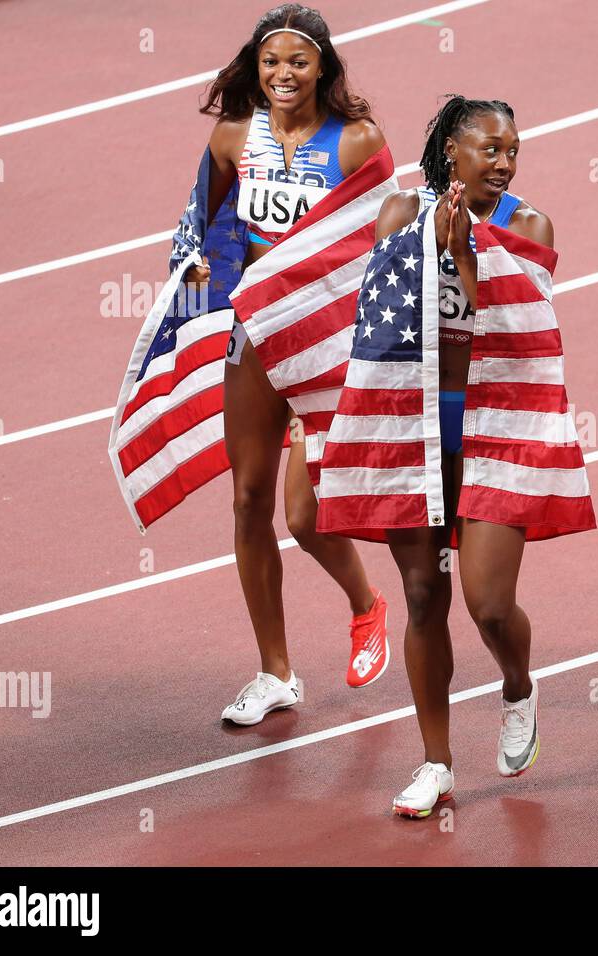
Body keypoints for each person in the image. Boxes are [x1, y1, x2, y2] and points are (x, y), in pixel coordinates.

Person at [313, 96, 596, 817]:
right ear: (450, 154)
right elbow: (377, 330)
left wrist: (466, 252)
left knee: (489, 604)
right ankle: (436, 762)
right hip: (415, 426)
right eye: (489, 149)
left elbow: (516, 329)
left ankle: (517, 687)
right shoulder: (400, 216)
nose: (503, 163)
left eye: (512, 151)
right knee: (419, 597)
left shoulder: (530, 226)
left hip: (498, 428)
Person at [182, 4, 392, 725]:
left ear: (323, 68)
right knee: (247, 501)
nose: (283, 74)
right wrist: (194, 275)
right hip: (255, 338)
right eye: (271, 61)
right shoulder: (233, 136)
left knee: (304, 515)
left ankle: (366, 607)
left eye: (298, 62)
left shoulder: (360, 143)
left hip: (324, 347)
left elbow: (385, 242)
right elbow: (200, 226)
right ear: (256, 65)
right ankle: (275, 673)